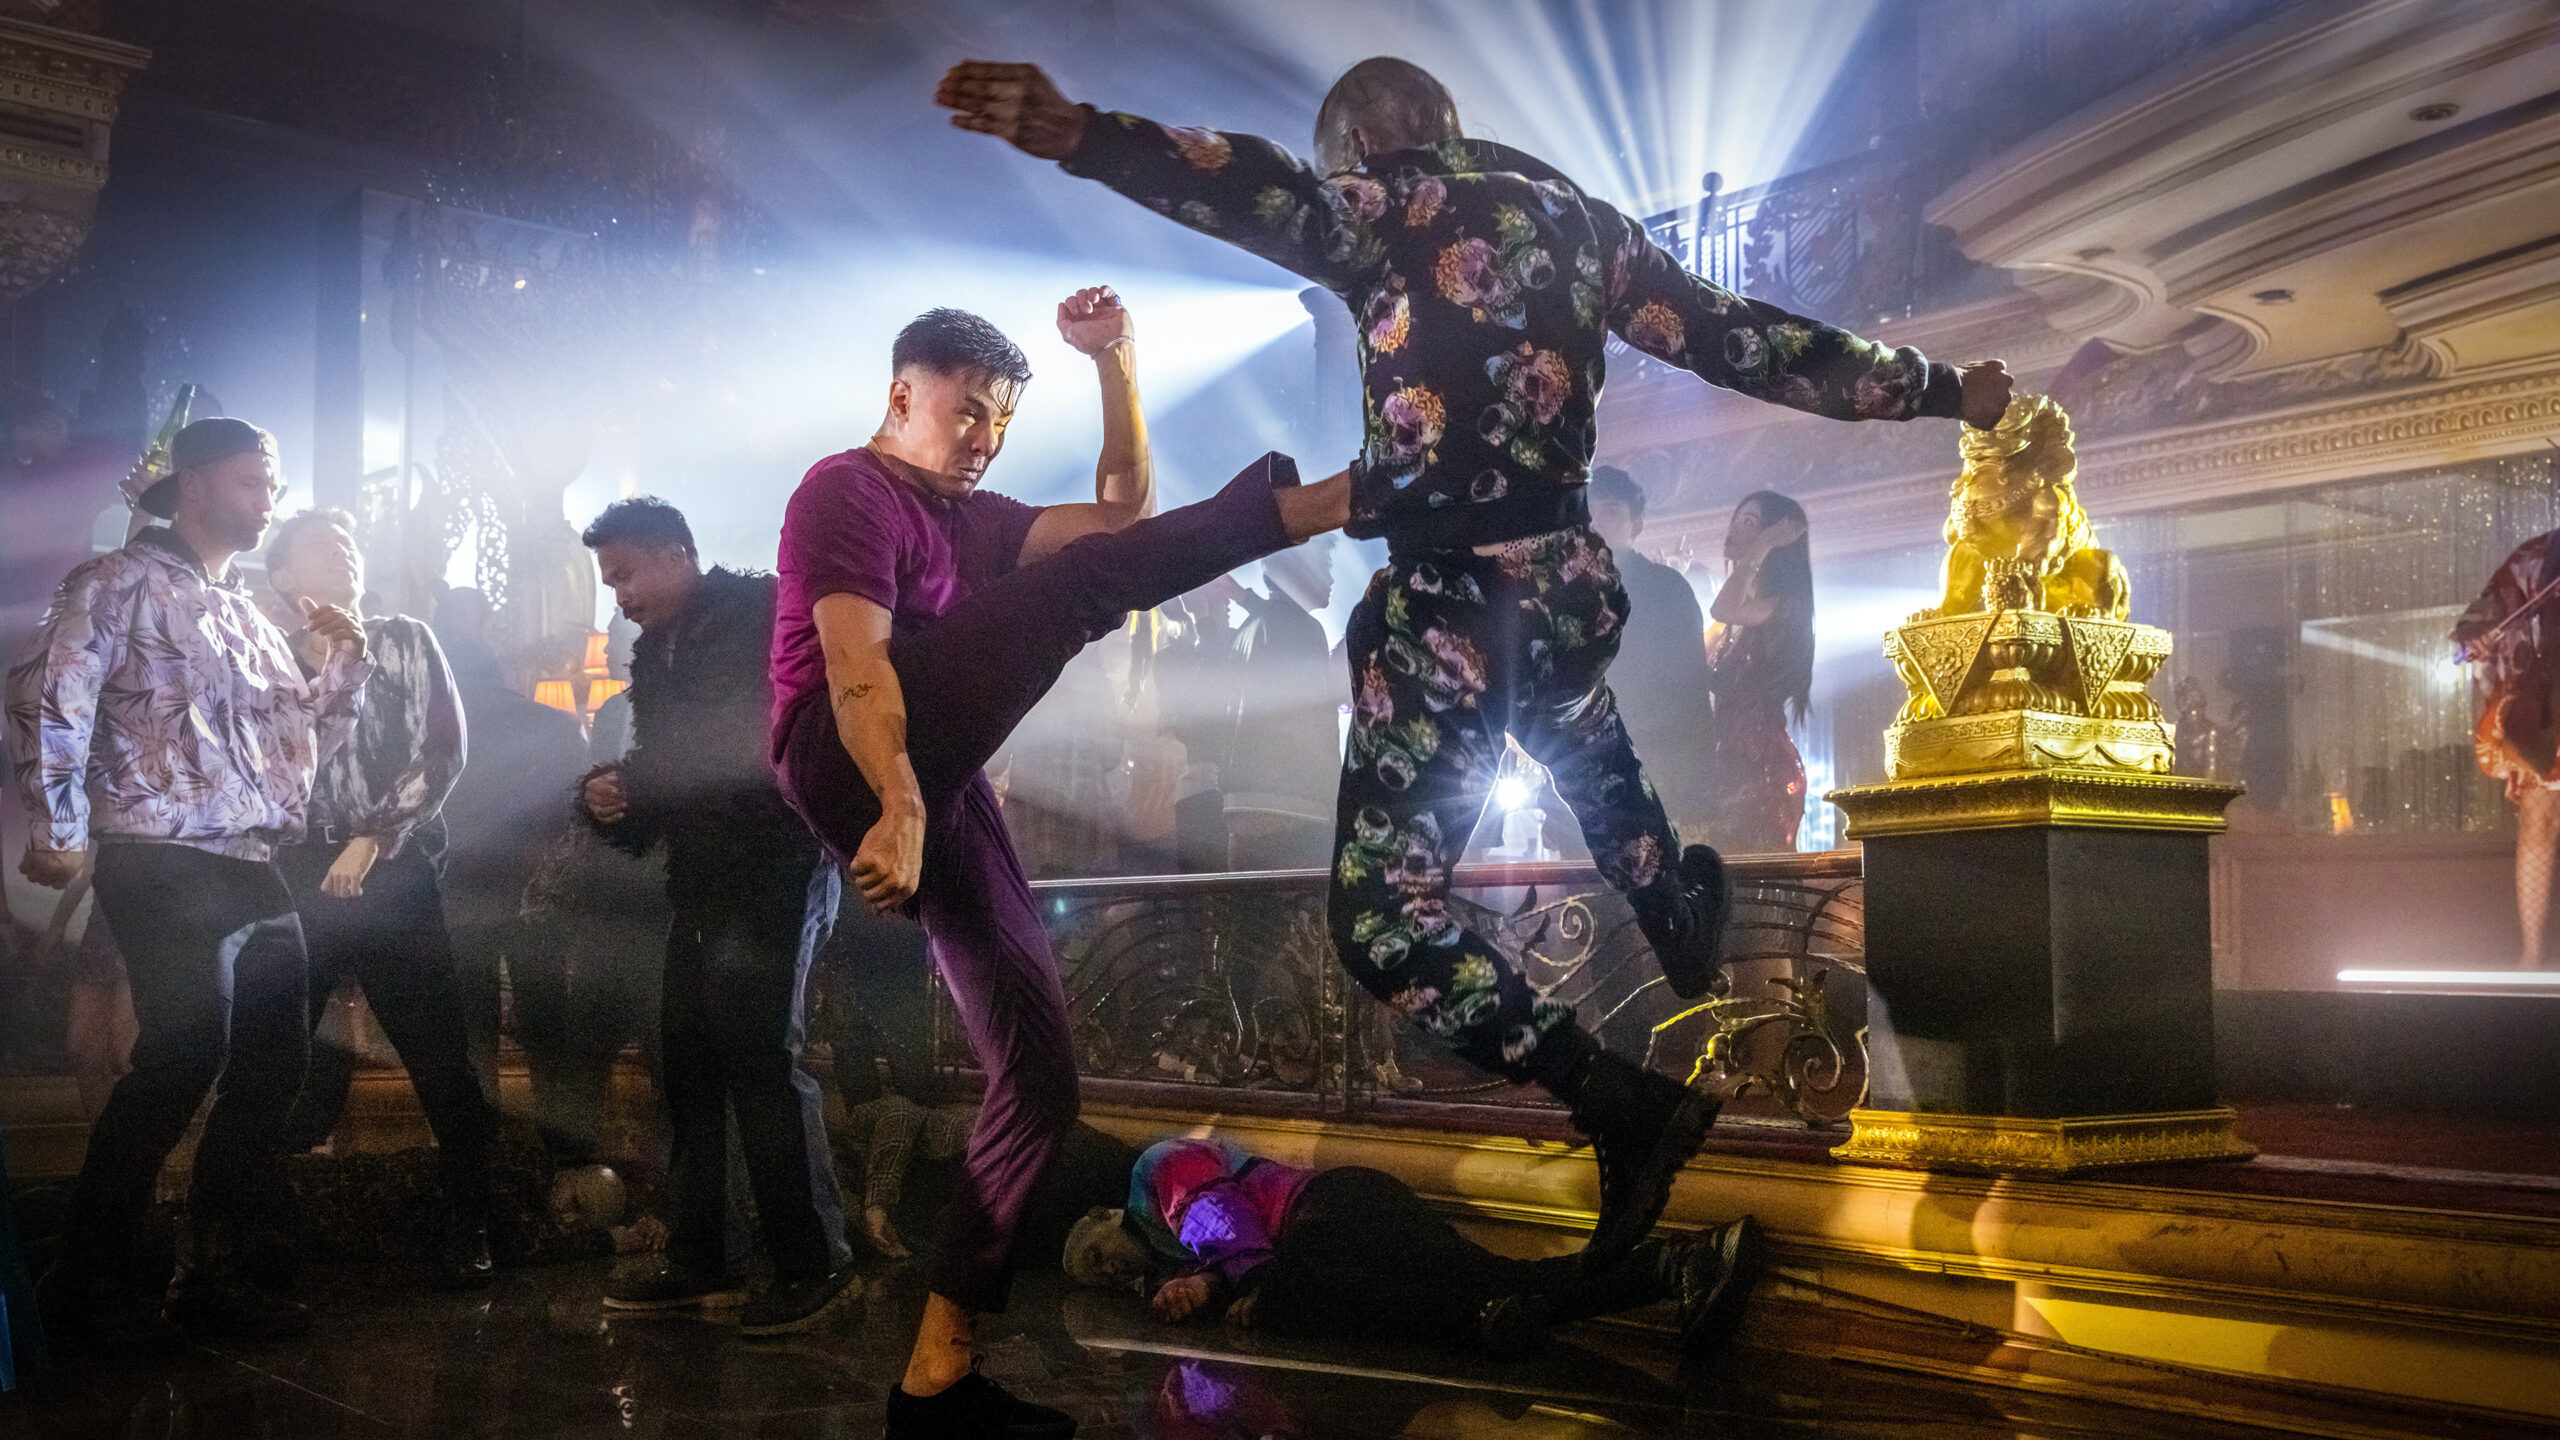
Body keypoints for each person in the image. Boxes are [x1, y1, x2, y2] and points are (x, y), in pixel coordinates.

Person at [937, 56, 2014, 1269]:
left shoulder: (1383, 207)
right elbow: (1752, 342)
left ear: (1359, 147)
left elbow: (1241, 184)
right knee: (1574, 724)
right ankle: (1674, 906)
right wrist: (1942, 390)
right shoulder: (1587, 227)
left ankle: (1622, 1106)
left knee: (1380, 921)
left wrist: (1084, 130)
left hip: (1454, 602)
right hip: (1565, 587)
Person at [769, 291, 1348, 1438]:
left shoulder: (974, 519)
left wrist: (1116, 362)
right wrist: (896, 802)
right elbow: (855, 668)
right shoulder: (844, 490)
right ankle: (1331, 500)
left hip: (935, 779)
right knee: (1079, 591)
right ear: (901, 395)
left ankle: (937, 1383)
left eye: (1000, 420)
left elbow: (1123, 517)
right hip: (845, 752)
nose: (985, 438)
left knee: (1039, 1081)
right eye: (967, 411)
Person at [6, 417, 370, 1345]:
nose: (268, 500)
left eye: (273, 485)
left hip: (248, 860)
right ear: (194, 484)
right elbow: (51, 694)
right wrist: (58, 824)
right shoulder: (115, 580)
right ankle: (83, 1278)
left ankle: (210, 1270)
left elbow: (295, 749)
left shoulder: (250, 614)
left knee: (277, 1060)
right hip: (157, 853)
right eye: (252, 481)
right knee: (182, 1052)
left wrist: (341, 671)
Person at [573, 496, 857, 1335]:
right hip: (703, 880)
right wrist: (611, 801)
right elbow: (665, 767)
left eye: (626, 574)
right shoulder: (654, 651)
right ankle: (705, 1257)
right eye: (610, 581)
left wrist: (639, 787)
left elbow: (744, 748)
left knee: (762, 1061)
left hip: (779, 864)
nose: (620, 595)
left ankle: (814, 1263)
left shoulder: (759, 616)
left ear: (678, 554)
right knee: (689, 1062)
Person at [263, 507, 496, 1290]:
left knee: (439, 1057)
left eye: (350, 541)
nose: (344, 551)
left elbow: (443, 750)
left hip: (391, 870)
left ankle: (473, 1225)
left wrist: (373, 838)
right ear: (283, 575)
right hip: (298, 870)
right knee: (274, 1059)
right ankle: (255, 1235)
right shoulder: (268, 654)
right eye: (322, 544)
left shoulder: (405, 638)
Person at [1064, 1137, 1764, 1362]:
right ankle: (1682, 1264)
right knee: (1504, 1280)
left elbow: (1216, 1213)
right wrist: (1217, 1284)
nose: (1108, 1270)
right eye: (1098, 1280)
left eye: (1093, 1254)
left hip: (1328, 1211)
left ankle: (1478, 1325)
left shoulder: (1153, 1174)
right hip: (1340, 1217)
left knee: (1296, 1298)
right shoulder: (1166, 1254)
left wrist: (1248, 1285)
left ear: (1101, 1215)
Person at [1585, 467, 1716, 836]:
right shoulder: (1565, 592)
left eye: (1611, 511)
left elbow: (1690, 684)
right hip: (1586, 765)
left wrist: (1696, 783)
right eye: (1589, 513)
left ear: (1636, 524)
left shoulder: (1667, 588)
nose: (1597, 523)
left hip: (1658, 762)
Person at [2452, 529, 2560, 969]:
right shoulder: (2537, 554)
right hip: (2541, 702)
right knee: (2537, 824)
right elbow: (2489, 611)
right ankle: (2532, 952)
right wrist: (2475, 638)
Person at [1703, 492, 1815, 854]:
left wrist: (1763, 545)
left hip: (1764, 768)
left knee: (1759, 877)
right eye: (1735, 519)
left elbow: (1723, 608)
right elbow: (1694, 660)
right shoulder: (1735, 624)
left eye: (1749, 522)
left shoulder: (1786, 605)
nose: (1733, 529)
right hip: (1730, 764)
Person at [1224, 537, 1340, 869]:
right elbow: (1314, 725)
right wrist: (1334, 799)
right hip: (1294, 808)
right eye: (1325, 566)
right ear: (1300, 570)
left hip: (1241, 808)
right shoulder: (1305, 629)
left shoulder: (1246, 630)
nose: (1331, 579)